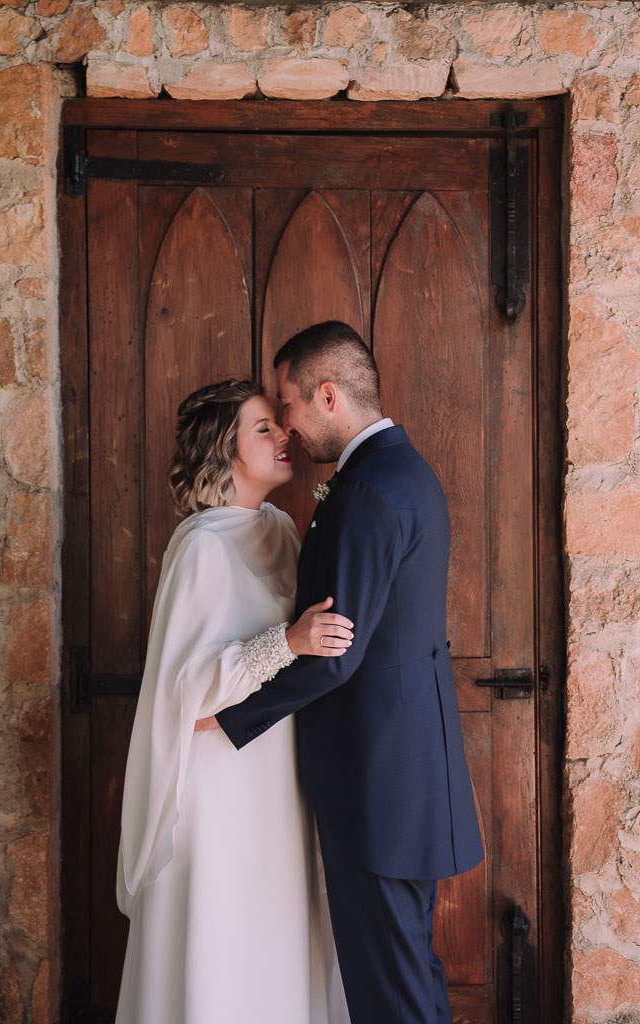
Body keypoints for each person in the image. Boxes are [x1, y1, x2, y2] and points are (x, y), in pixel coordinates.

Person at [209, 322, 485, 1024]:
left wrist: (233, 713)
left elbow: (333, 652)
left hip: (377, 785)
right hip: (401, 776)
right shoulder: (400, 471)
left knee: (389, 993)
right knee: (407, 979)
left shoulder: (368, 490)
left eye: (289, 403)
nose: (288, 425)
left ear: (326, 395)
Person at [115, 379, 353, 1024]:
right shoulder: (199, 545)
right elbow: (185, 688)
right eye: (263, 430)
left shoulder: (278, 528)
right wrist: (288, 640)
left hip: (278, 769)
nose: (284, 438)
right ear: (224, 451)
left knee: (278, 922)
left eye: (279, 426)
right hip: (221, 778)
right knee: (225, 930)